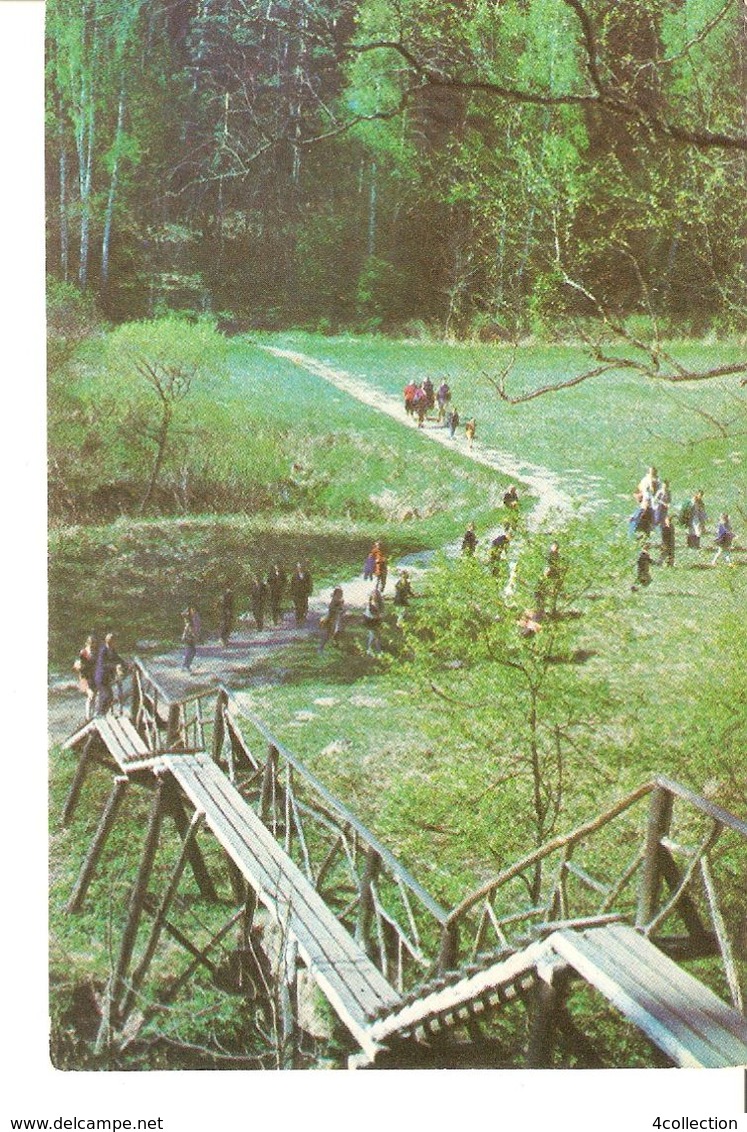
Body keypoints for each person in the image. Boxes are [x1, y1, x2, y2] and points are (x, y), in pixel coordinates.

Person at [95, 631, 126, 712]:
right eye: (113, 641)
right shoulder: (103, 650)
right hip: (101, 676)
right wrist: (115, 666)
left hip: (107, 677)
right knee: (106, 695)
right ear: (109, 641)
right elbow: (103, 664)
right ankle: (100, 713)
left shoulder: (112, 650)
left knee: (109, 696)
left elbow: (118, 659)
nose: (115, 643)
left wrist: (126, 664)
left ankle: (102, 712)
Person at [73, 634, 97, 721]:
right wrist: (79, 666)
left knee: (93, 697)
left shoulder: (95, 653)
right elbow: (77, 664)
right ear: (87, 643)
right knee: (91, 695)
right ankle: (88, 717)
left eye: (93, 643)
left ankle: (93, 715)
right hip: (84, 678)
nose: (92, 644)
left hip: (92, 677)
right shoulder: (83, 652)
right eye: (90, 643)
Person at [319, 587, 345, 652]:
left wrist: (341, 610)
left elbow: (341, 609)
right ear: (336, 593)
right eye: (339, 593)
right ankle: (321, 648)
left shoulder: (340, 600)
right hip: (332, 619)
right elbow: (331, 609)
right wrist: (339, 610)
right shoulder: (334, 600)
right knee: (328, 634)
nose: (341, 594)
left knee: (336, 633)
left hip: (337, 619)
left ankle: (335, 645)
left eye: (341, 593)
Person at [364, 587, 385, 655]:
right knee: (372, 635)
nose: (375, 596)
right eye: (374, 595)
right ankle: (369, 649)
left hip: (377, 620)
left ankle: (378, 649)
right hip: (371, 621)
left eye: (377, 595)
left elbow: (382, 611)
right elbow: (370, 614)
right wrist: (377, 615)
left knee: (378, 635)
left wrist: (380, 615)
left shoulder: (380, 603)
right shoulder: (370, 604)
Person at [181, 608, 199, 673]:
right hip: (188, 637)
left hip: (190, 637)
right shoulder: (189, 621)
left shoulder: (193, 619)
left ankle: (186, 666)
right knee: (190, 651)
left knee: (192, 651)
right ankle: (185, 666)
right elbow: (187, 628)